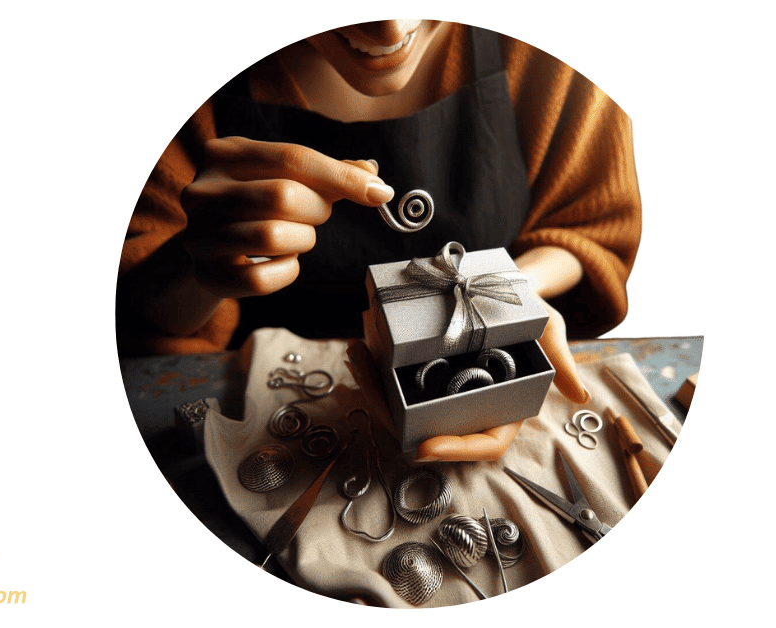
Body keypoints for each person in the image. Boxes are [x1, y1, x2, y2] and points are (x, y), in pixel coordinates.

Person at [118, 20, 642, 462]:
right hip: (267, 414)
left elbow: (588, 224)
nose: (390, 27)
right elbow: (134, 312)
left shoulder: (557, 46)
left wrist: (510, 302)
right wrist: (197, 263)